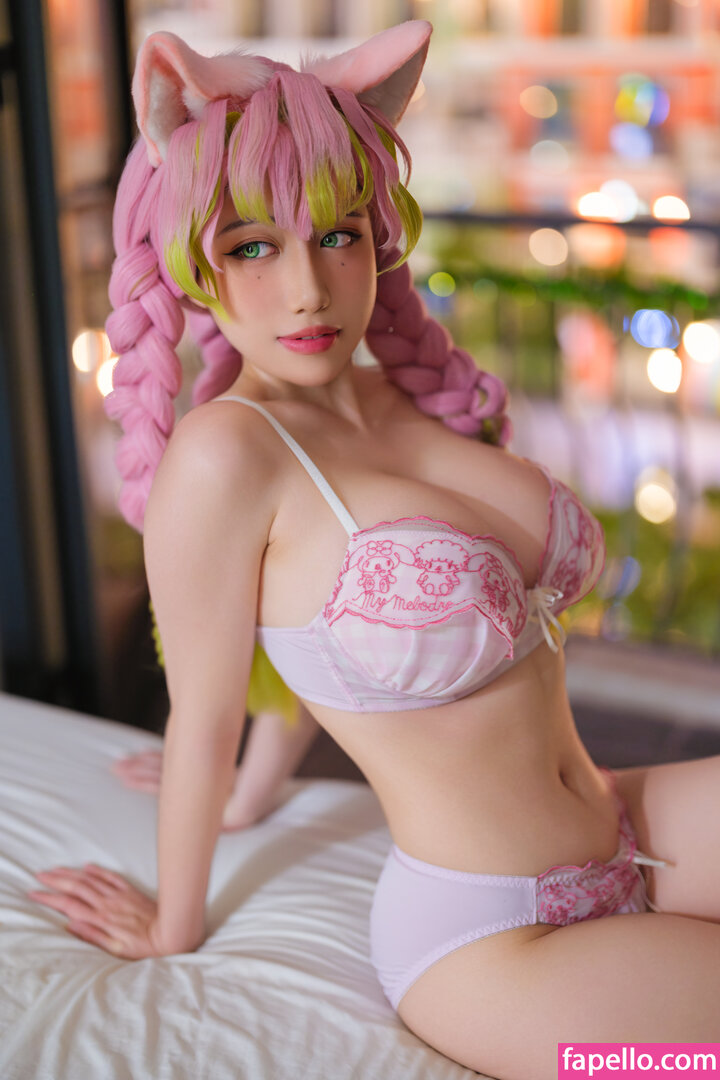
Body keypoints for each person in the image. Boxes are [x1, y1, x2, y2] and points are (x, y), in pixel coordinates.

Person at [28, 20, 720, 1079]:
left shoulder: (404, 396)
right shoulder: (224, 458)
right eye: (251, 246)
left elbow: (328, 645)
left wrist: (261, 788)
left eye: (337, 235)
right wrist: (173, 923)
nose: (307, 289)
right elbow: (204, 718)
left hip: (624, 821)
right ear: (193, 260)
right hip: (493, 936)